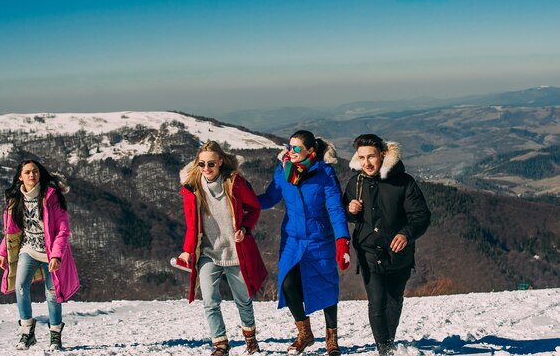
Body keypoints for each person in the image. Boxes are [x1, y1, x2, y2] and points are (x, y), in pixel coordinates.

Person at [258, 130, 351, 356]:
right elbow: (269, 199)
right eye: (289, 147)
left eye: (296, 148)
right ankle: (305, 332)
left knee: (326, 285)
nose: (291, 152)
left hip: (319, 237)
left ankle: (332, 338)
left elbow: (336, 208)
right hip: (292, 238)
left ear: (311, 150)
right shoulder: (283, 172)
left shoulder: (325, 173)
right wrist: (243, 201)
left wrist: (342, 240)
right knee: (288, 284)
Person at [342, 134, 431, 356]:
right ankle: (384, 350)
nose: (366, 163)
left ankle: (388, 342)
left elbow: (421, 216)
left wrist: (407, 234)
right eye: (361, 158)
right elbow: (346, 214)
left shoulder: (404, 182)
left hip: (398, 252)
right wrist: (350, 211)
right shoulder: (356, 183)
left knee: (394, 300)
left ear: (382, 154)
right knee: (376, 300)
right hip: (368, 251)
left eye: (371, 156)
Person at [178, 141, 268, 356]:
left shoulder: (234, 183)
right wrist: (187, 250)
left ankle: (251, 341)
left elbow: (254, 208)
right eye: (201, 164)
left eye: (211, 164)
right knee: (209, 300)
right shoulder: (193, 188)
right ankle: (220, 344)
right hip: (208, 253)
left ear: (220, 163)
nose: (206, 168)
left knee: (243, 300)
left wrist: (245, 228)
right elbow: (192, 225)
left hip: (235, 252)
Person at [0, 159, 79, 351]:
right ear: (20, 176)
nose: (32, 175)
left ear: (39, 174)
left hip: (51, 254)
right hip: (28, 249)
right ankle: (27, 332)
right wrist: (3, 251)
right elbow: (12, 230)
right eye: (27, 172)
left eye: (35, 171)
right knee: (20, 286)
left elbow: (63, 230)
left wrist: (56, 256)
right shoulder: (16, 198)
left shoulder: (52, 196)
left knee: (52, 295)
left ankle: (55, 335)